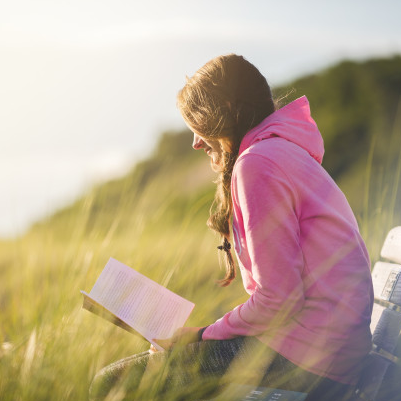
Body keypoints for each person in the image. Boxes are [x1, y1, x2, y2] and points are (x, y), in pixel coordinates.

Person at [89, 54, 374, 401]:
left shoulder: (257, 163)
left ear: (225, 108)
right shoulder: (281, 151)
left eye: (197, 121)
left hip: (309, 360)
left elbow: (278, 300)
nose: (195, 141)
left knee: (112, 383)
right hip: (326, 352)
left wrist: (202, 335)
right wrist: (205, 335)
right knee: (150, 367)